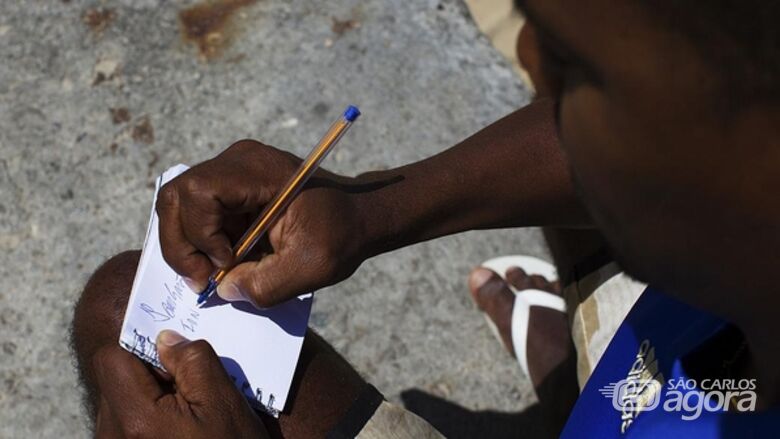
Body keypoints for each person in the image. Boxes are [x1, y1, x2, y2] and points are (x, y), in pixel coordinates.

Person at [71, 0, 780, 437]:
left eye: (579, 67)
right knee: (124, 304)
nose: (527, 60)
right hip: (674, 352)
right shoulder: (738, 234)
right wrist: (369, 208)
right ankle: (588, 389)